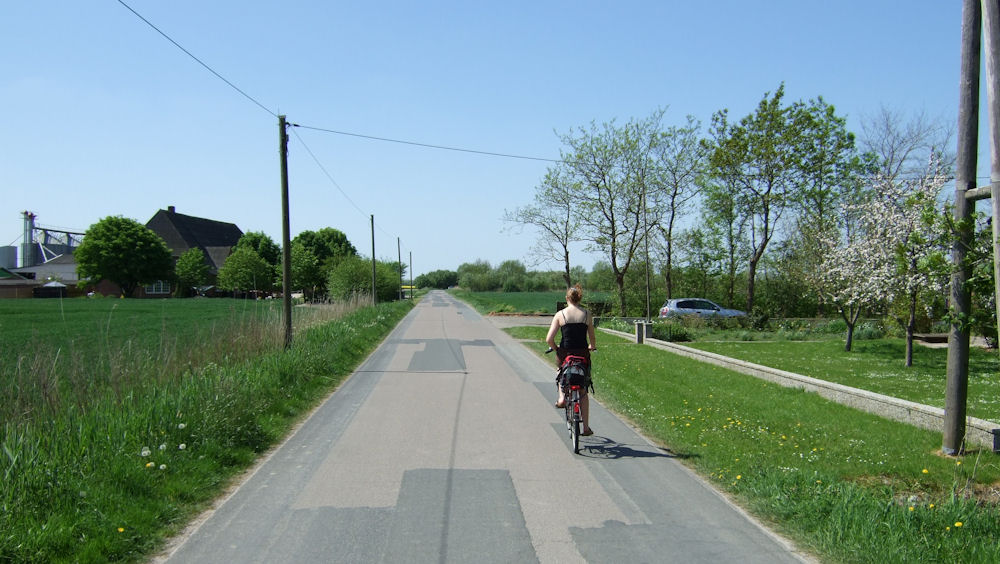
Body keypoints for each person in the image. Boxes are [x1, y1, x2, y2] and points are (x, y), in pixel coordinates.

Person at [546, 284, 597, 436]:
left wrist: (556, 348)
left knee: (560, 371)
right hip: (582, 353)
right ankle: (586, 428)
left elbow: (549, 339)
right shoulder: (587, 314)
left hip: (565, 353)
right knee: (583, 389)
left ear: (566, 298)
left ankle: (562, 397)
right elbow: (592, 338)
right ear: (580, 298)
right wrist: (592, 346)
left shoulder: (560, 314)